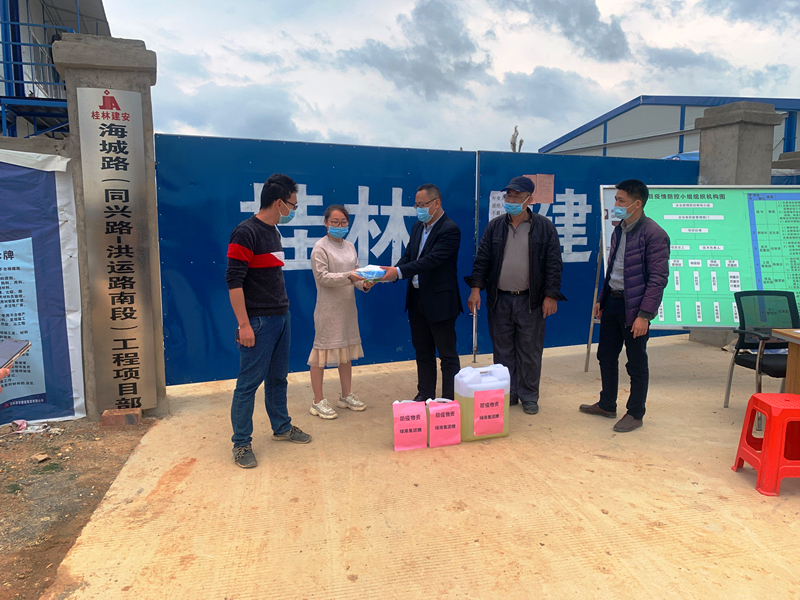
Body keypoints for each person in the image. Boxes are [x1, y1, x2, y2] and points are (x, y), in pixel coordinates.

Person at [226, 172, 312, 469]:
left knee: (278, 378)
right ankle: (241, 443)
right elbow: (234, 281)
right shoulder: (245, 232)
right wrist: (244, 325)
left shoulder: (274, 231)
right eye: (293, 205)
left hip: (281, 317)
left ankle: (281, 426)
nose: (293, 211)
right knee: (248, 384)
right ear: (279, 203)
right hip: (258, 322)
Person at [465, 176, 566, 415]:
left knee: (530, 350)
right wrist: (475, 289)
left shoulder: (544, 227)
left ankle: (529, 395)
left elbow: (554, 264)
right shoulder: (495, 226)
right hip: (499, 299)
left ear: (529, 200)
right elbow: (482, 260)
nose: (510, 200)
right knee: (502, 350)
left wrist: (551, 295)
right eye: (508, 196)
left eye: (516, 196)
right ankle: (508, 392)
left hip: (530, 300)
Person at [579, 179, 670, 433]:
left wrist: (644, 315)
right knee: (606, 355)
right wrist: (602, 298)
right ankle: (607, 404)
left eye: (621, 200)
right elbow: (615, 269)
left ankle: (635, 413)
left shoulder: (654, 234)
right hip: (613, 302)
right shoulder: (619, 229)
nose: (616, 204)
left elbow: (658, 279)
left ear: (637, 203)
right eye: (616, 199)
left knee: (636, 362)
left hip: (635, 309)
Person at [380, 183, 462, 401]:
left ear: (436, 203)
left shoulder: (450, 229)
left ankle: (448, 399)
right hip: (417, 299)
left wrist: (398, 272)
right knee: (423, 351)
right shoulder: (418, 226)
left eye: (422, 205)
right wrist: (390, 273)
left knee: (447, 354)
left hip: (440, 301)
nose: (418, 209)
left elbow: (431, 260)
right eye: (416, 205)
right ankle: (425, 394)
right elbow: (409, 256)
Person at [308, 205, 374, 419]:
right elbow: (322, 277)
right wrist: (351, 276)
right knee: (320, 354)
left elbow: (356, 275)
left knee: (345, 352)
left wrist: (364, 283)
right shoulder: (320, 248)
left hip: (347, 309)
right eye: (334, 222)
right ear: (326, 223)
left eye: (343, 222)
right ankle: (318, 400)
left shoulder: (350, 246)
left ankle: (346, 395)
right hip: (328, 310)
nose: (339, 225)